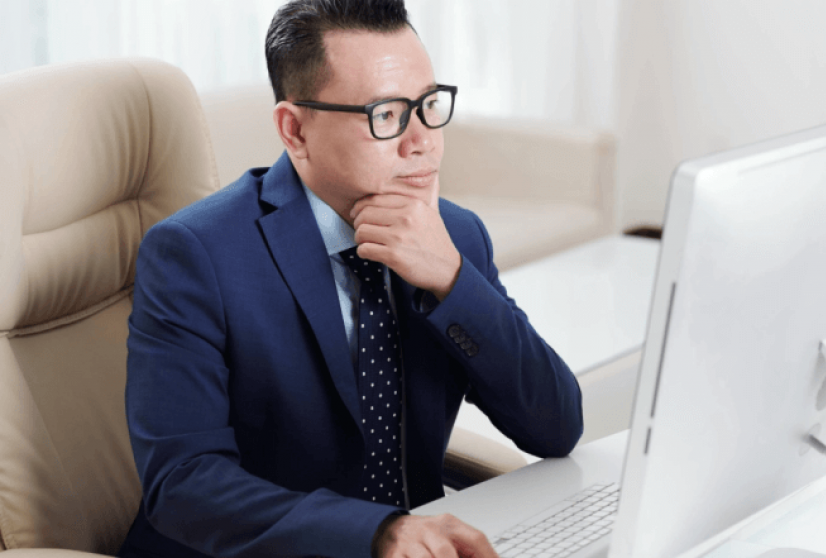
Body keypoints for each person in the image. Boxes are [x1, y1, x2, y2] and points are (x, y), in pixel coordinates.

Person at [118, 1, 584, 557]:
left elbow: (555, 427)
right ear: (295, 130)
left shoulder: (454, 235)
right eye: (386, 115)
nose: (423, 142)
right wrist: (377, 532)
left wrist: (453, 280)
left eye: (429, 105)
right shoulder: (197, 254)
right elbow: (183, 485)